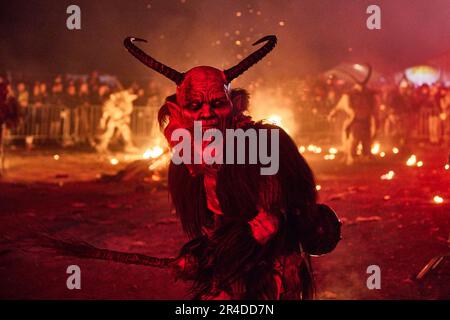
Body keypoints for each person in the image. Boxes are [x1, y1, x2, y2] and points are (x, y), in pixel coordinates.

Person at [95, 86, 138, 153]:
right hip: (114, 119)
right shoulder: (110, 102)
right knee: (109, 133)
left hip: (119, 120)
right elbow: (106, 113)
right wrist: (103, 121)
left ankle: (128, 146)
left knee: (125, 132)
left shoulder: (121, 100)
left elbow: (125, 110)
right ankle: (102, 146)